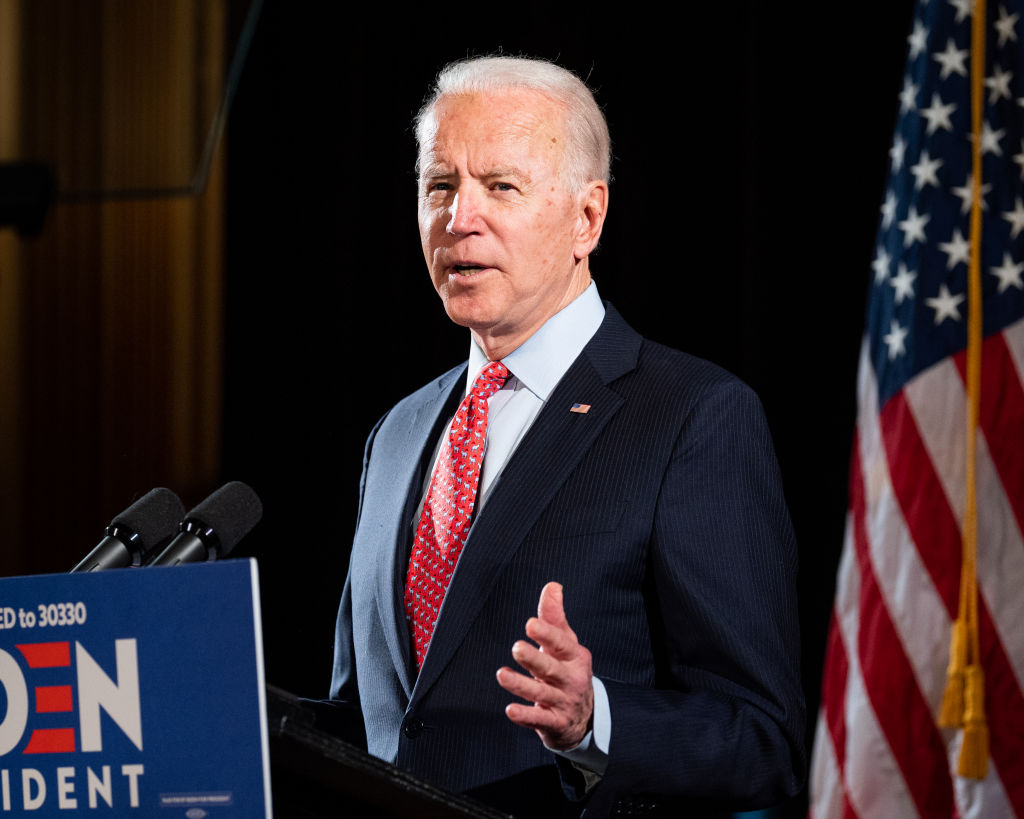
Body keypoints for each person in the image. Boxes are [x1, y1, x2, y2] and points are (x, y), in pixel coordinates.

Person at [329, 55, 806, 818]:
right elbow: (364, 722)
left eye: (501, 186)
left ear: (588, 218)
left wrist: (596, 721)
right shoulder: (398, 432)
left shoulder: (694, 417)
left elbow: (762, 742)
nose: (459, 219)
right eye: (440, 185)